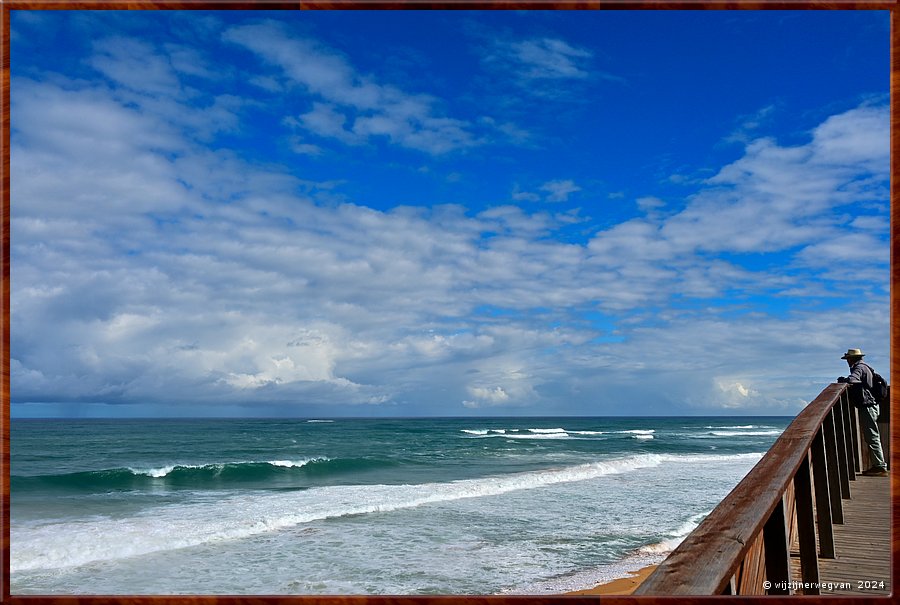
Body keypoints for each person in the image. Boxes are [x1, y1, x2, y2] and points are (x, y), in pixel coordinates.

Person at [837, 348, 888, 477]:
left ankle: (880, 467)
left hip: (868, 406)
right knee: (872, 436)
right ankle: (878, 465)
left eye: (848, 359)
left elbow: (853, 380)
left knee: (872, 437)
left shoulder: (858, 368)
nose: (847, 361)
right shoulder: (866, 367)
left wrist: (843, 380)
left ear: (851, 359)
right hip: (873, 405)